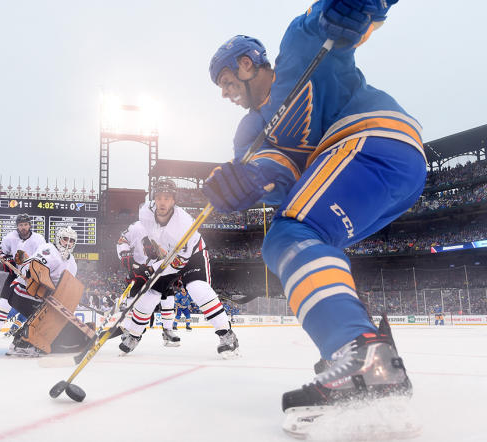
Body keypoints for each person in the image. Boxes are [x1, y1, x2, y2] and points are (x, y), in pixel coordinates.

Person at [203, 0, 424, 424]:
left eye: (229, 82)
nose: (227, 95)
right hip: (387, 173)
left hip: (371, 139)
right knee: (305, 236)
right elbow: (279, 174)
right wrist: (246, 184)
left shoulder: (300, 48)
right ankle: (360, 353)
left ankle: (361, 354)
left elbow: (335, 21)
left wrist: (353, 8)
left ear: (248, 64)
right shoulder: (250, 132)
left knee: (290, 234)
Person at [116, 178, 238, 357]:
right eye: (159, 197)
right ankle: (134, 335)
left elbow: (179, 261)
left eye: (167, 198)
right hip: (165, 258)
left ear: (174, 200)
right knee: (149, 295)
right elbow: (133, 238)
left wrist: (149, 270)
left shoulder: (183, 224)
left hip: (191, 256)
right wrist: (135, 260)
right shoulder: (145, 213)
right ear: (154, 199)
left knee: (197, 288)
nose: (162, 202)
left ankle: (227, 335)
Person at [0, 226, 79, 356]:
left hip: (40, 297)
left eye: (71, 240)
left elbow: (65, 286)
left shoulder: (72, 263)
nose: (68, 243)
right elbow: (33, 269)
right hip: (23, 291)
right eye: (65, 239)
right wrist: (29, 272)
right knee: (44, 317)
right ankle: (22, 343)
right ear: (58, 239)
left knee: (53, 319)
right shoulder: (48, 249)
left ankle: (21, 342)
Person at [0, 213, 45, 345]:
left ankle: (35, 335)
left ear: (29, 225)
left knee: (34, 307)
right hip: (15, 273)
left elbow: (44, 259)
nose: (23, 227)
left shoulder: (39, 239)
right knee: (3, 302)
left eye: (25, 224)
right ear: (17, 226)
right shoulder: (10, 237)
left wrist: (30, 267)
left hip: (32, 276)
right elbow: (1, 253)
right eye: (20, 225)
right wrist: (4, 258)